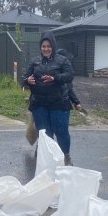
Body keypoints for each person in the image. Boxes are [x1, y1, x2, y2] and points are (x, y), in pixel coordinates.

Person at [23, 33, 74, 165]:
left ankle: (66, 156)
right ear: (40, 47)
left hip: (59, 103)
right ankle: (46, 156)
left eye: (48, 46)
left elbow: (69, 76)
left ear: (53, 46)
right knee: (45, 134)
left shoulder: (62, 60)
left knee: (62, 133)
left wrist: (55, 78)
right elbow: (24, 79)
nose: (46, 49)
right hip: (39, 104)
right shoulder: (35, 61)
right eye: (43, 46)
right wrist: (27, 80)